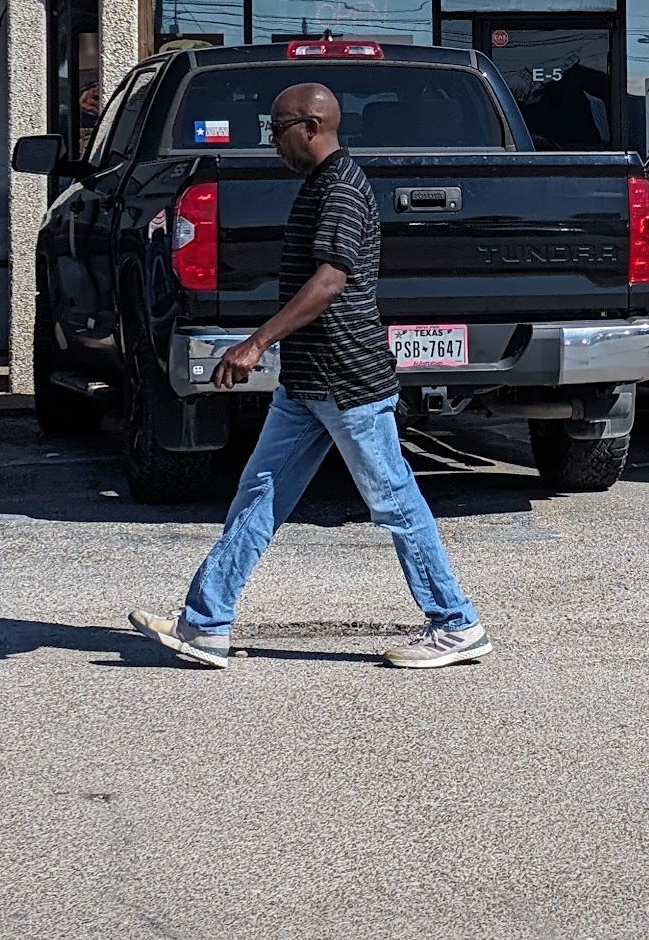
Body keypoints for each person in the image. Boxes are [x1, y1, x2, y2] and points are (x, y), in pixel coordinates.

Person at [129, 80, 488, 671]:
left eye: (276, 130)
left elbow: (330, 281)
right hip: (308, 382)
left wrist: (255, 343)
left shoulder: (342, 189)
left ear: (312, 127)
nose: (272, 143)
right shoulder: (319, 185)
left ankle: (456, 622)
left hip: (348, 378)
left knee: (394, 501)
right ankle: (205, 623)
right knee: (260, 494)